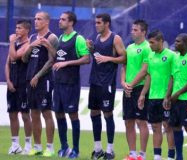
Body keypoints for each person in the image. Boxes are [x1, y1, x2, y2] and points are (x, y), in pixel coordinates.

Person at [86, 13, 126, 160]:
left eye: (99, 23)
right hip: (94, 81)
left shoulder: (115, 38)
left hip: (106, 83)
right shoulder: (97, 38)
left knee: (107, 114)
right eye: (95, 22)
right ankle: (98, 149)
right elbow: (97, 57)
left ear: (107, 24)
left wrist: (108, 58)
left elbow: (124, 57)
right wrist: (91, 49)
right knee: (94, 113)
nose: (96, 25)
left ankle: (110, 150)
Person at [52, 11, 90, 158]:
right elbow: (57, 58)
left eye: (63, 19)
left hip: (71, 84)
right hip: (58, 83)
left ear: (71, 22)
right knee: (58, 114)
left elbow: (87, 59)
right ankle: (64, 147)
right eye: (60, 19)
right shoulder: (60, 37)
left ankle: (76, 150)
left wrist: (67, 63)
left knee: (72, 115)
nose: (59, 21)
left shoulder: (78, 39)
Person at [22, 11, 57, 157]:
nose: (36, 21)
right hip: (30, 80)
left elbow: (53, 59)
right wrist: (30, 46)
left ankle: (50, 147)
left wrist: (38, 75)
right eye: (35, 18)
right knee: (34, 113)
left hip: (44, 80)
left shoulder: (52, 37)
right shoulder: (32, 38)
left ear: (46, 22)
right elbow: (24, 59)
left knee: (46, 112)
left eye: (39, 19)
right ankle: (37, 146)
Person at [138, 30, 175, 160]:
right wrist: (143, 94)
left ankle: (170, 156)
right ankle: (157, 156)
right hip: (153, 97)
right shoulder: (151, 56)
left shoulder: (171, 56)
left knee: (168, 126)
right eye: (149, 43)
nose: (150, 45)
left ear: (161, 41)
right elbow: (149, 76)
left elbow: (173, 77)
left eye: (152, 42)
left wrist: (168, 95)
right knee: (155, 127)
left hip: (165, 98)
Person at [165, 33, 187, 160]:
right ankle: (179, 157)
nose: (175, 43)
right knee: (175, 126)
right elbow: (172, 78)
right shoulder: (175, 57)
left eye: (178, 41)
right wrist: (168, 96)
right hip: (174, 100)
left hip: (186, 100)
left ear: (186, 44)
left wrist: (178, 93)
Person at [121, 19, 150, 160]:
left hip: (139, 88)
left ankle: (142, 155)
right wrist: (123, 82)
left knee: (141, 121)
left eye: (135, 30)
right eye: (132, 29)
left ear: (143, 32)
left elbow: (144, 71)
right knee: (128, 121)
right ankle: (132, 154)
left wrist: (131, 84)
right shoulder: (129, 47)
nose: (132, 32)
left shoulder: (147, 48)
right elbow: (124, 67)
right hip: (128, 89)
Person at [5, 19, 32, 155]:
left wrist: (10, 42)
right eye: (16, 28)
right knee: (12, 114)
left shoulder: (28, 45)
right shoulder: (14, 44)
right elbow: (8, 63)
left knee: (25, 115)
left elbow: (14, 57)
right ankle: (15, 145)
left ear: (27, 30)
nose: (16, 31)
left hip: (23, 85)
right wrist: (8, 81)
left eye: (20, 28)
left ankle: (28, 145)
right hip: (12, 84)